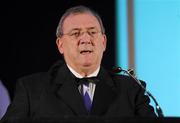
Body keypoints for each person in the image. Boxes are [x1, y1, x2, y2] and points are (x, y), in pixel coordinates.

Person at [1, 5, 156, 121]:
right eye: (76, 33)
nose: (86, 39)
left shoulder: (131, 89)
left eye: (92, 32)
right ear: (60, 44)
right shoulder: (31, 89)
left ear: (103, 42)